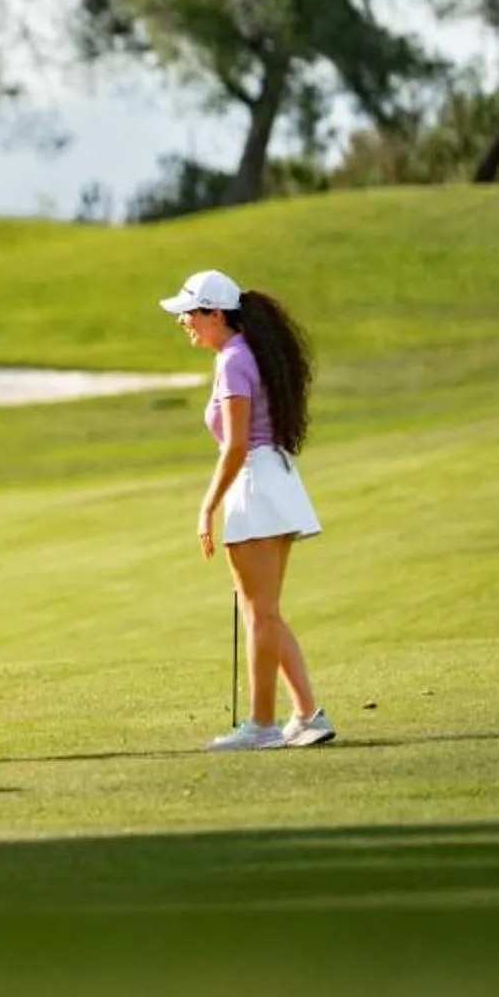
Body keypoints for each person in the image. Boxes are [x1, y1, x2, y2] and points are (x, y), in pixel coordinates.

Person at [160, 270, 336, 751]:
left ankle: (261, 726)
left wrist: (206, 506)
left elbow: (235, 445)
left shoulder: (233, 361)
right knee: (267, 612)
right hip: (274, 482)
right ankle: (307, 715)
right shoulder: (246, 354)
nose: (184, 323)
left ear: (216, 313)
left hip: (255, 485)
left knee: (258, 614)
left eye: (189, 314)